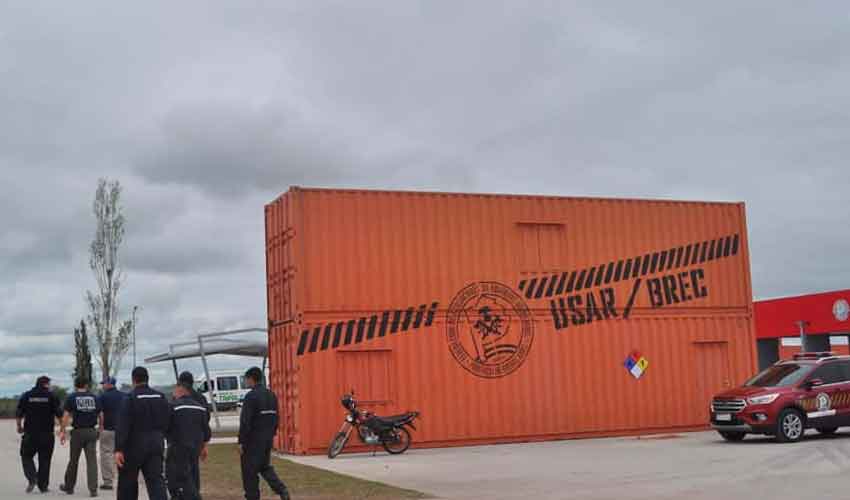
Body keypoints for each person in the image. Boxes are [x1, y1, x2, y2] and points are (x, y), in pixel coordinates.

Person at [115, 367, 170, 500]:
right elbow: (167, 420)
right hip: (156, 443)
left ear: (133, 380)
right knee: (156, 480)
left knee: (127, 482)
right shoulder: (161, 397)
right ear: (147, 378)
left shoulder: (130, 398)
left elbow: (123, 424)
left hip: (134, 446)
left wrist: (118, 449)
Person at [239, 367, 290, 500]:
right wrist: (271, 434)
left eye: (246, 379)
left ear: (251, 379)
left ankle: (252, 497)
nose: (245, 382)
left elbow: (245, 422)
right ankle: (282, 490)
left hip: (253, 441)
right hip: (267, 439)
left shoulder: (251, 396)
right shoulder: (271, 395)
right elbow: (276, 417)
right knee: (264, 466)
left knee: (249, 471)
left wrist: (241, 441)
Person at [16, 375, 63, 494]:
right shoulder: (52, 396)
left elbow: (19, 413)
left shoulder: (27, 395)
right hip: (47, 434)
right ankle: (43, 486)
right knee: (45, 460)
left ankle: (32, 478)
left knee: (26, 456)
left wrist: (19, 426)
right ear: (46, 384)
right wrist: (62, 429)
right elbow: (59, 414)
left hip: (30, 434)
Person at [166, 381, 211, 500]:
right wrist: (204, 447)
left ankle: (191, 497)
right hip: (195, 446)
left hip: (178, 446)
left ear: (181, 389)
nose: (173, 393)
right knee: (193, 473)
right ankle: (193, 492)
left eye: (175, 390)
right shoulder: (200, 407)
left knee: (178, 476)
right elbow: (206, 431)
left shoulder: (173, 406)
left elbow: (167, 426)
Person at [59, 376, 103, 497]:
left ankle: (69, 487)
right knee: (92, 461)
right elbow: (101, 415)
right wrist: (100, 428)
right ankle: (93, 489)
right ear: (86, 385)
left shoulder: (72, 397)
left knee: (73, 460)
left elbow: (66, 416)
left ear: (75, 385)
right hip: (91, 431)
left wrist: (62, 431)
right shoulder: (94, 397)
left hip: (78, 433)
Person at [177, 371, 210, 494]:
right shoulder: (201, 398)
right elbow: (206, 418)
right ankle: (195, 491)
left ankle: (184, 493)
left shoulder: (179, 397)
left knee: (182, 469)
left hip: (181, 439)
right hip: (197, 438)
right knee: (194, 467)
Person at [99, 376, 126, 491]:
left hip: (108, 429)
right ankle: (125, 480)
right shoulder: (124, 396)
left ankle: (108, 482)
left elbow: (100, 413)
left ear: (109, 384)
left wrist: (101, 426)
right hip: (123, 430)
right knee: (124, 454)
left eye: (103, 383)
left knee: (106, 454)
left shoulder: (102, 396)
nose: (102, 385)